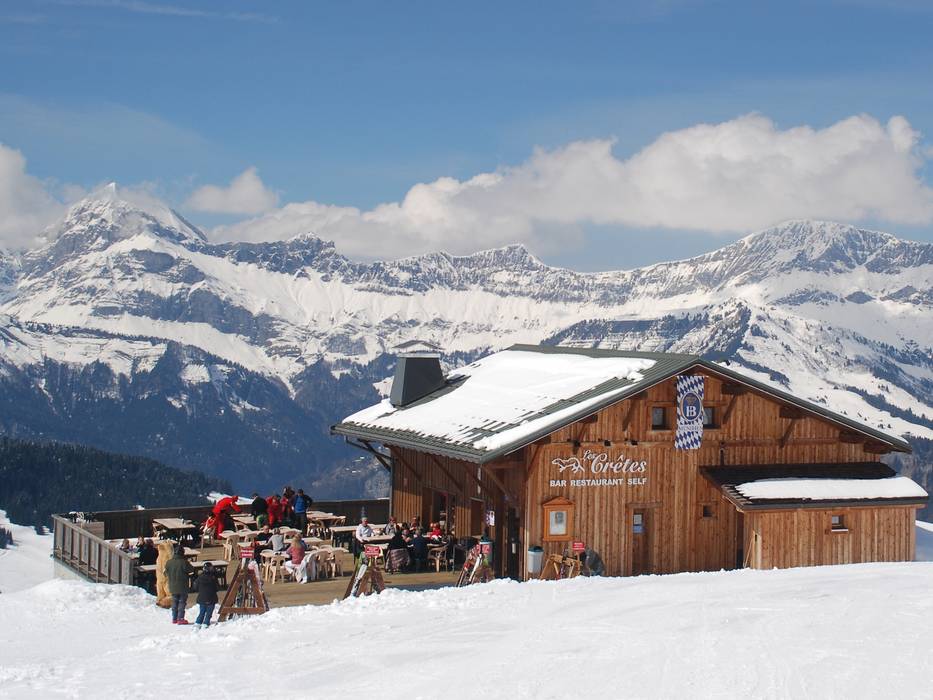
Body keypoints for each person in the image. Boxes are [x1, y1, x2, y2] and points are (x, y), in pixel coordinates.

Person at [164, 545, 194, 625]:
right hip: (183, 586)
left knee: (174, 602)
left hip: (172, 586)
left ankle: (174, 618)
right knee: (182, 602)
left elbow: (165, 573)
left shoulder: (169, 562)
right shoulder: (184, 562)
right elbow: (191, 570)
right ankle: (180, 618)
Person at [192, 562, 219, 628]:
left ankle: (198, 622)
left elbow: (195, 587)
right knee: (209, 612)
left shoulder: (199, 577)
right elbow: (217, 588)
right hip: (211, 598)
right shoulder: (213, 578)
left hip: (202, 598)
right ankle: (206, 623)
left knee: (202, 612)